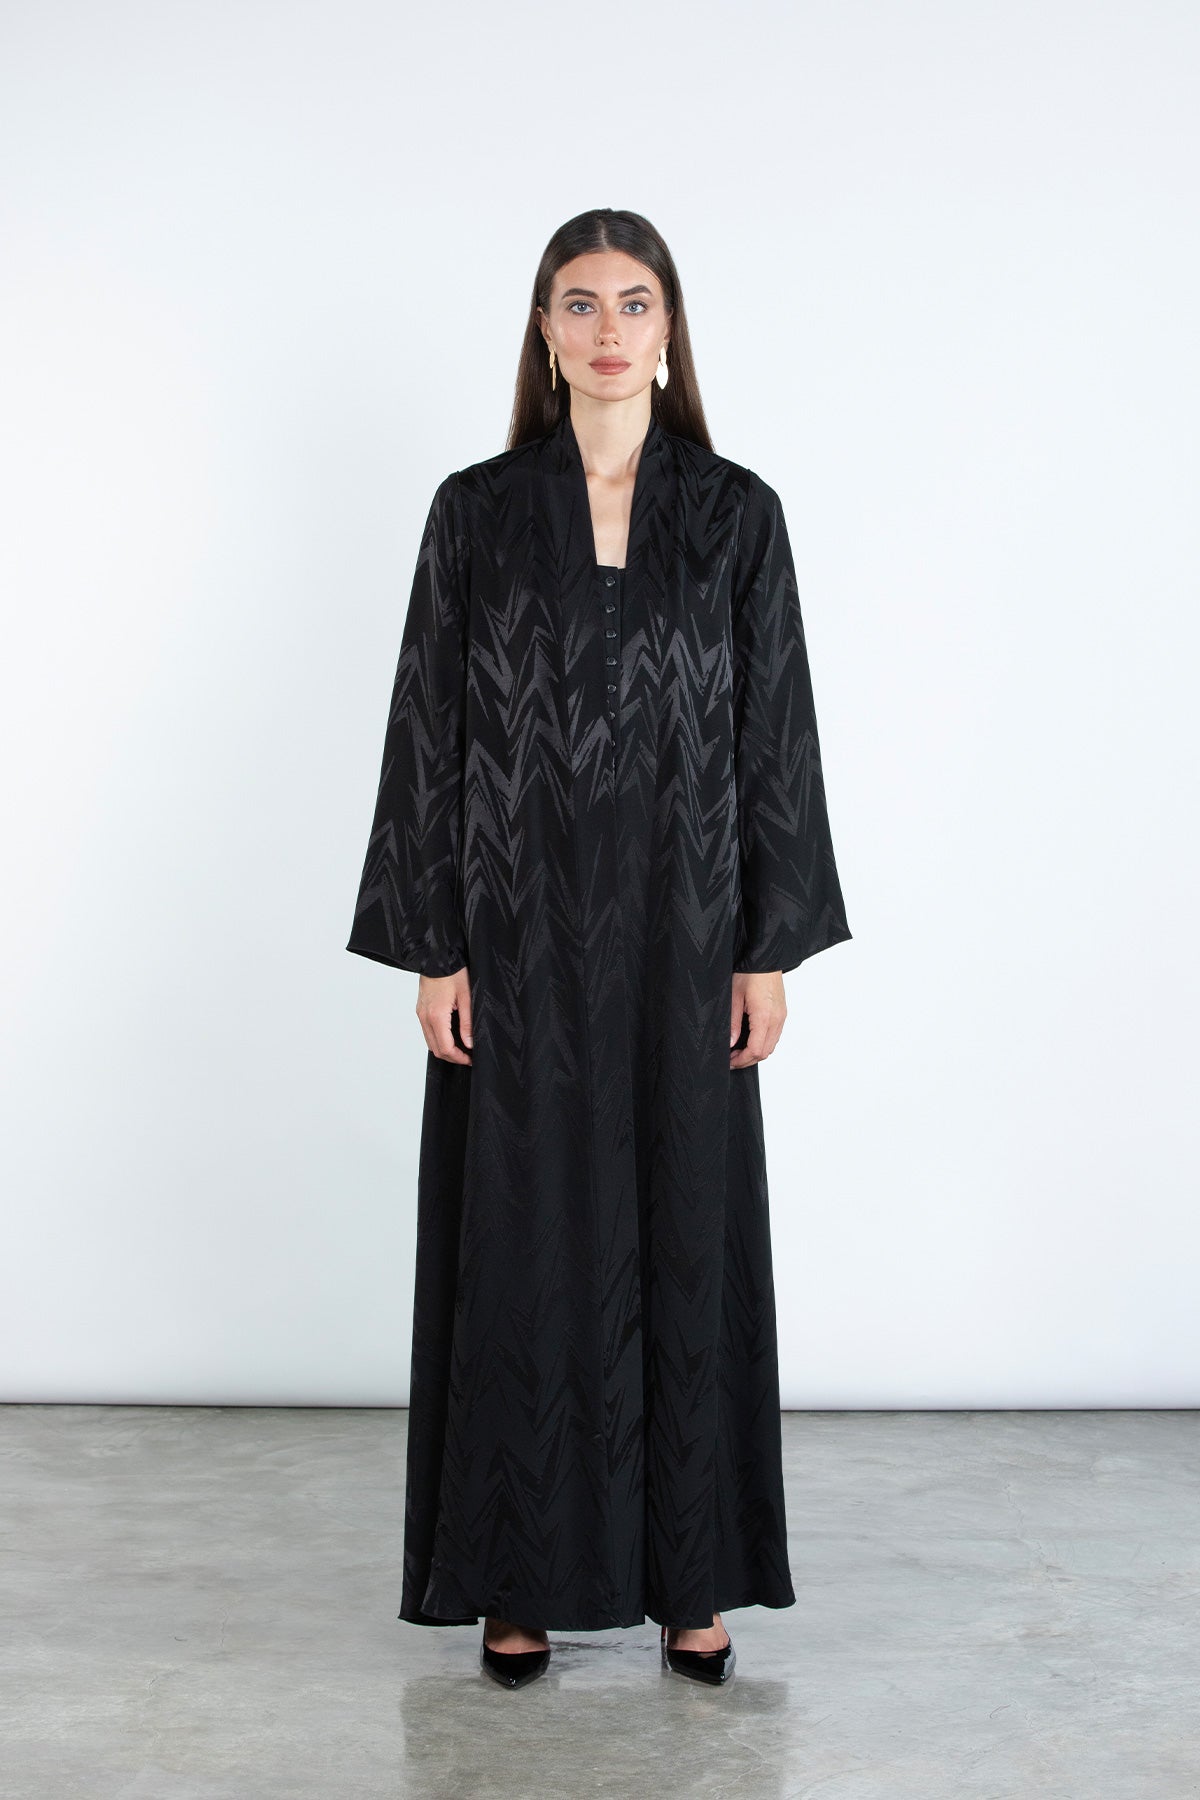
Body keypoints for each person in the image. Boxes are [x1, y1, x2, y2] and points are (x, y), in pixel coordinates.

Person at [346, 208, 852, 1690]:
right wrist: (436, 947)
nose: (610, 329)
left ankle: (694, 1582)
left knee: (689, 1239)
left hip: (688, 939)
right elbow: (428, 725)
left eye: (636, 302)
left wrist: (766, 948)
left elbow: (777, 732)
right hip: (516, 939)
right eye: (581, 303)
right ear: (545, 331)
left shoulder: (737, 514)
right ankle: (518, 1579)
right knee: (523, 1247)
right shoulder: (477, 511)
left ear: (670, 328)